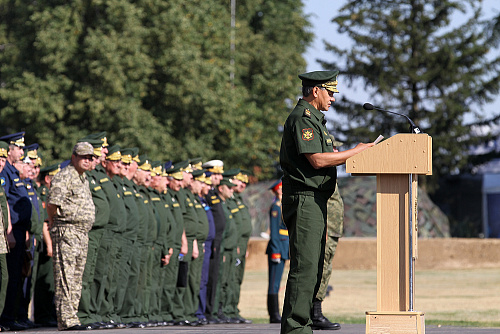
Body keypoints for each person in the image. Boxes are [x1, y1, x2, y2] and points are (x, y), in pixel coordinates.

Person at [279, 70, 374, 334]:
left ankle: (302, 324)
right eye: (329, 92)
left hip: (317, 200)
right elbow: (318, 160)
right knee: (306, 268)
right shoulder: (303, 118)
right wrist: (355, 152)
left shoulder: (316, 121)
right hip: (306, 199)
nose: (332, 98)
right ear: (315, 90)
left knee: (314, 267)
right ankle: (296, 329)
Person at [47, 142, 97, 331]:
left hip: (81, 233)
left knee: (76, 279)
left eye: (90, 158)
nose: (87, 160)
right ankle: (65, 320)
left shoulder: (83, 178)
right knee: (65, 277)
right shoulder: (64, 176)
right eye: (84, 157)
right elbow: (52, 204)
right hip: (67, 230)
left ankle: (72, 317)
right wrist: (54, 223)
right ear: (74, 156)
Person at [0, 132, 33, 331]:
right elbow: (7, 204)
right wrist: (9, 231)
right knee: (9, 275)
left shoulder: (11, 171)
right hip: (10, 232)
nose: (21, 151)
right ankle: (6, 317)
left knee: (15, 276)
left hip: (19, 231)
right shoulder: (5, 173)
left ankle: (10, 316)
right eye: (18, 147)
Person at [311, 136, 344, 330]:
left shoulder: (330, 174)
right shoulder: (321, 175)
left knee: (325, 269)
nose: (338, 153)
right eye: (335, 150)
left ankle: (315, 312)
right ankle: (314, 313)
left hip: (332, 230)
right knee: (320, 270)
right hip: (325, 229)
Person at [266, 179, 289, 324]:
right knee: (274, 282)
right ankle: (274, 314)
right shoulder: (276, 207)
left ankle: (276, 313)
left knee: (278, 281)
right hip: (277, 247)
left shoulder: (282, 205)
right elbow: (274, 231)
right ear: (278, 190)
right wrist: (275, 251)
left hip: (284, 246)